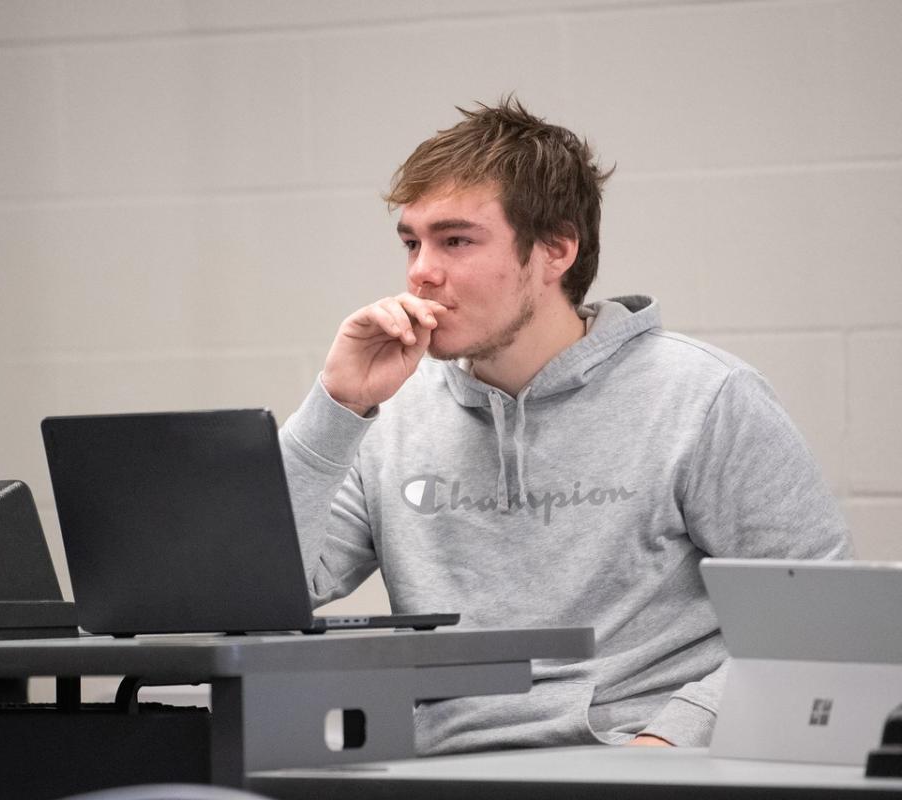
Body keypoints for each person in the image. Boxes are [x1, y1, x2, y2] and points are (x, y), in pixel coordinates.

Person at [279, 97, 851, 754]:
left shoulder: (706, 397)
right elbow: (265, 598)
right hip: (439, 770)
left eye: (456, 240)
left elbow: (817, 624)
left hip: (637, 764)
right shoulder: (390, 414)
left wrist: (668, 744)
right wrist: (336, 407)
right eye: (412, 242)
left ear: (556, 249)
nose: (420, 271)